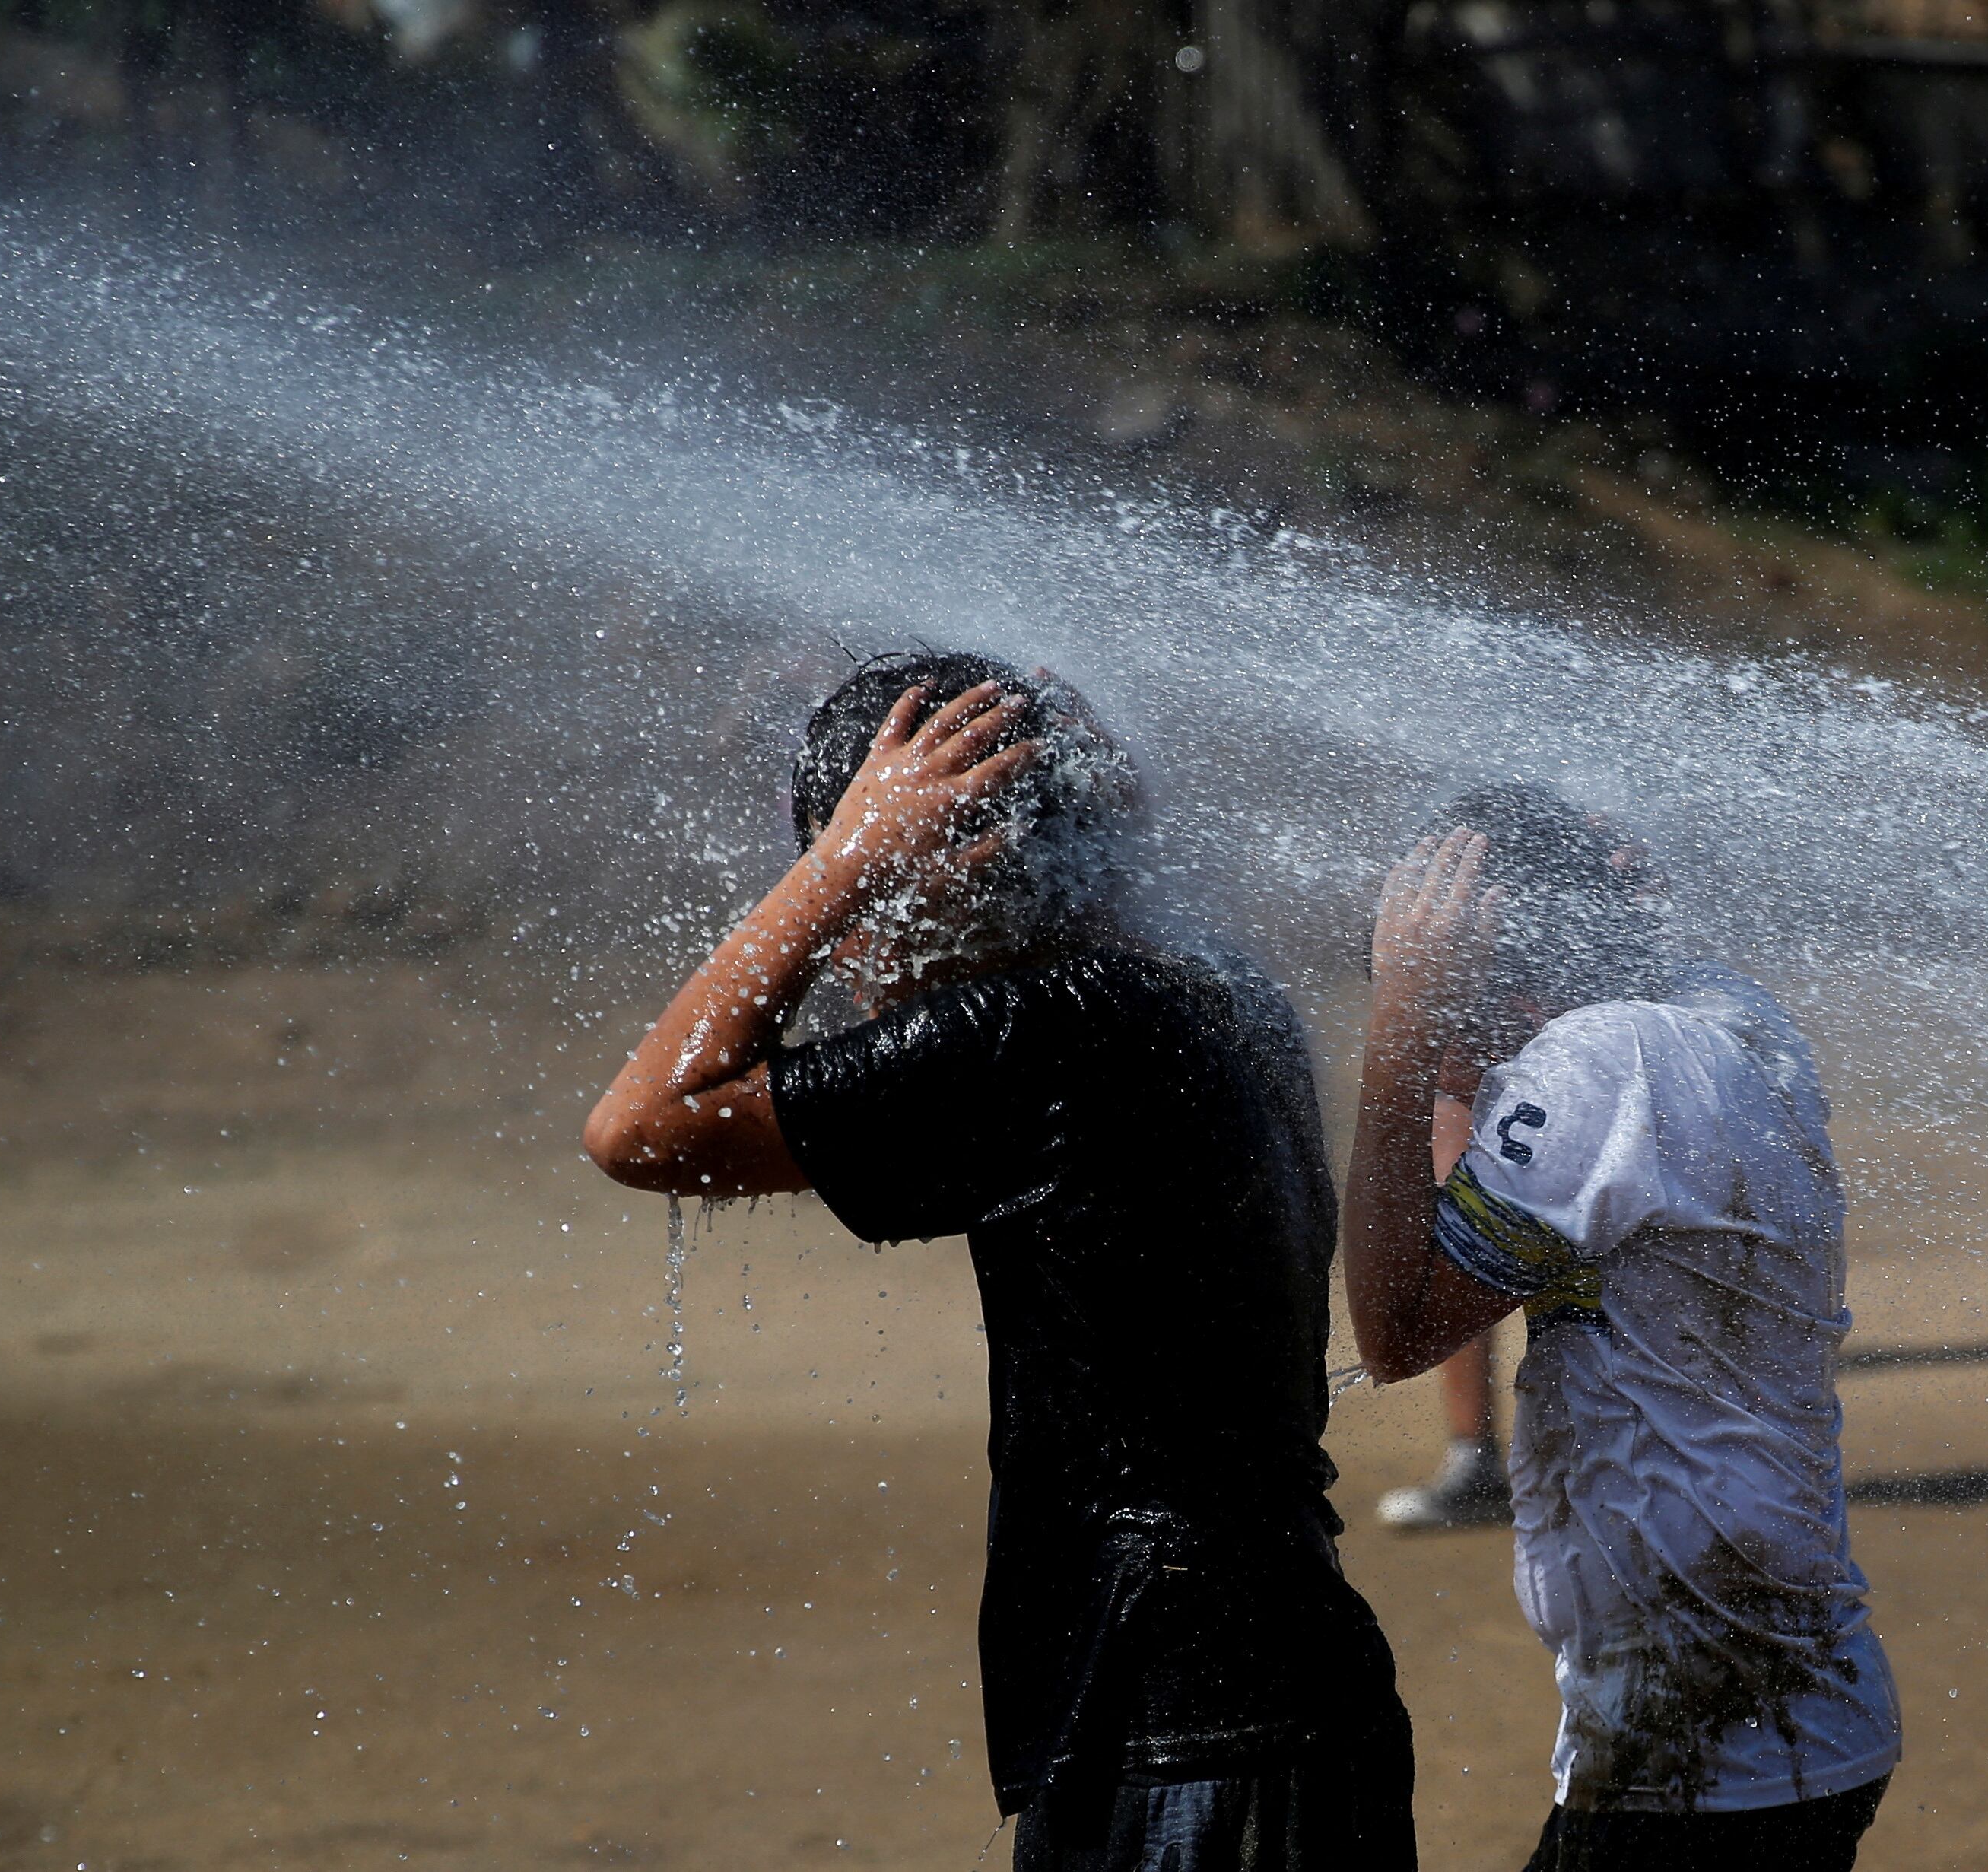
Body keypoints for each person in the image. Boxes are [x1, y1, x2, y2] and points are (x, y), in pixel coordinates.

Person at [583, 652, 1415, 1872]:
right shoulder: (1209, 988)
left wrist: (839, 859)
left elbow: (640, 1127)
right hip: (1267, 1696)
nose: (854, 955)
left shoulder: (1062, 1029)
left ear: (957, 861)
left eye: (868, 895)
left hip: (1182, 1730)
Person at [1340, 785, 1901, 1872]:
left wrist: (1402, 1036)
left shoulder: (1607, 1062)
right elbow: (1472, 1206)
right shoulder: (1713, 1015)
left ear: (1504, 966)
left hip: (1706, 1747)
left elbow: (1395, 1327)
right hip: (1774, 1709)